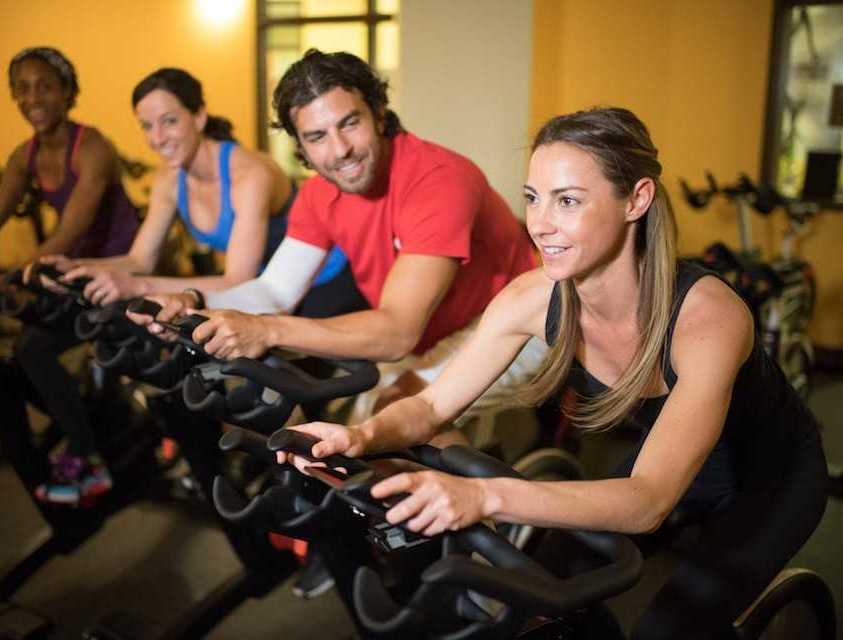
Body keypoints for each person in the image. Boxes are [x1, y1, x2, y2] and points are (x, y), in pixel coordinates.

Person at [281, 107, 829, 638]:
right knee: (541, 593)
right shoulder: (533, 298)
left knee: (668, 628)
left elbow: (646, 500)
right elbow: (429, 407)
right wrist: (357, 436)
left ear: (636, 200)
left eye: (568, 201)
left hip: (773, 479)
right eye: (533, 199)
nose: (540, 225)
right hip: (675, 459)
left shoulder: (707, 317)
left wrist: (484, 496)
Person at [131, 50, 543, 602]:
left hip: (514, 325)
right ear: (299, 146)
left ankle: (498, 587)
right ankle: (391, 552)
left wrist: (269, 330)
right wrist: (194, 300)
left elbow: (395, 330)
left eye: (349, 123)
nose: (339, 150)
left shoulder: (437, 178)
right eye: (317, 136)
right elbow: (275, 289)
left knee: (396, 415)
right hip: (430, 337)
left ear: (377, 112)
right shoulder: (321, 193)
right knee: (351, 445)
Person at [0, 47, 140, 507]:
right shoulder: (23, 156)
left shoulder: (92, 147)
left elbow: (72, 230)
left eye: (44, 85)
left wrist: (8, 278)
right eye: (22, 89)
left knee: (38, 347)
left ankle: (88, 450)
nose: (33, 97)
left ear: (68, 92)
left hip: (123, 271)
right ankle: (87, 442)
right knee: (31, 349)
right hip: (74, 273)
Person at [47, 67, 359, 319]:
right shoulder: (169, 180)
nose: (157, 138)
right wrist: (79, 268)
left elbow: (236, 280)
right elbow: (139, 259)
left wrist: (136, 286)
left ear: (198, 117)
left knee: (278, 381)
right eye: (146, 125)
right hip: (266, 284)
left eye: (169, 121)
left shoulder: (248, 175)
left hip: (325, 277)